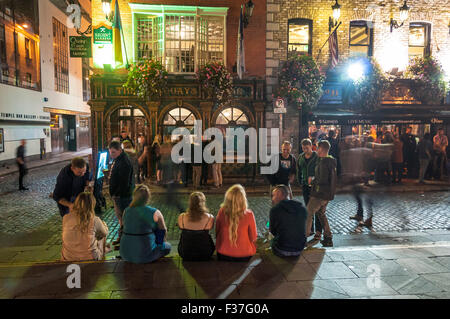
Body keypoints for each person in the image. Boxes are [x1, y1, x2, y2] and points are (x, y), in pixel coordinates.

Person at [120, 185, 171, 263]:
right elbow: (163, 231)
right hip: (145, 255)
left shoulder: (126, 211)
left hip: (125, 254)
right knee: (168, 246)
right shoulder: (155, 212)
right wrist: (161, 243)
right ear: (148, 198)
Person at [305, 140, 337, 248]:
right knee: (321, 215)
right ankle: (328, 238)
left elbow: (322, 180)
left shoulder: (324, 162)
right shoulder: (330, 161)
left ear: (322, 149)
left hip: (320, 194)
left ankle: (302, 238)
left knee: (308, 212)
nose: (316, 150)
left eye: (317, 148)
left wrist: (312, 180)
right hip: (326, 194)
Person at [61, 192, 109, 261]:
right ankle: (102, 253)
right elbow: (105, 233)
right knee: (102, 235)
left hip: (67, 257)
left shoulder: (66, 217)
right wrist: (104, 225)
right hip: (89, 258)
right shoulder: (94, 219)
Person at [215, 184, 257, 261]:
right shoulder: (249, 214)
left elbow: (217, 232)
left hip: (223, 254)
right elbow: (253, 237)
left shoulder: (222, 212)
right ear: (243, 199)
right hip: (245, 255)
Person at [269, 185, 307, 257]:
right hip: (299, 249)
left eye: (273, 195)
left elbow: (272, 232)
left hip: (282, 249)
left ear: (279, 194)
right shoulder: (302, 208)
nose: (272, 199)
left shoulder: (275, 210)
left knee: (270, 237)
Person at [109, 141, 134, 247]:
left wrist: (117, 193)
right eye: (110, 152)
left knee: (124, 218)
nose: (111, 155)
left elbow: (124, 182)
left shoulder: (124, 162)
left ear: (120, 150)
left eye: (113, 152)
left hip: (122, 196)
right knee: (121, 218)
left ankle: (124, 239)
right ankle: (122, 237)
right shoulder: (119, 159)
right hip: (119, 195)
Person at [178, 192, 215, 261]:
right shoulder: (210, 217)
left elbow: (180, 227)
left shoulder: (182, 217)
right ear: (203, 202)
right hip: (205, 253)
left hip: (185, 253)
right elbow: (210, 227)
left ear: (190, 202)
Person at [297, 138, 321, 239]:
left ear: (311, 147)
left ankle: (319, 231)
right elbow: (298, 170)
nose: (305, 150)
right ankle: (310, 228)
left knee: (317, 208)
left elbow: (320, 170)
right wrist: (300, 181)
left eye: (307, 148)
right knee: (308, 208)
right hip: (306, 186)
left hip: (315, 186)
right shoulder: (301, 157)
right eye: (303, 148)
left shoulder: (317, 157)